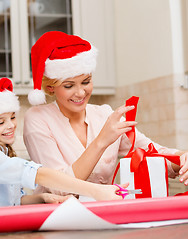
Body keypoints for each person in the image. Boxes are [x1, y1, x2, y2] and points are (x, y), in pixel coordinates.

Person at [23, 31, 188, 196]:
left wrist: (182, 158)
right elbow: (59, 188)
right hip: (58, 215)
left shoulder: (104, 114)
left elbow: (153, 152)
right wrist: (102, 141)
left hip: (106, 212)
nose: (80, 93)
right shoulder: (37, 118)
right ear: (51, 87)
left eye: (86, 82)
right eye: (69, 86)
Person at [0, 77, 125, 209]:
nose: (10, 126)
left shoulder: (3, 154)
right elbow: (40, 174)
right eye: (0, 122)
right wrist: (97, 191)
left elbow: (13, 201)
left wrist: (42, 198)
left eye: (12, 118)